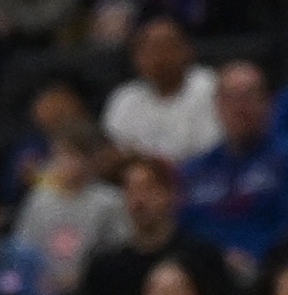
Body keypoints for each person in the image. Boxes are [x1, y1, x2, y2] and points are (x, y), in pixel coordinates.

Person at [177, 63, 288, 279]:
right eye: (231, 98)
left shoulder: (283, 160)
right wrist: (220, 257)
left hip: (272, 270)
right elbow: (185, 231)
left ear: (268, 103)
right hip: (209, 274)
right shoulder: (195, 171)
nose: (239, 107)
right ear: (217, 106)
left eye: (248, 97)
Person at [82, 158, 235, 295]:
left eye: (148, 189)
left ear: (170, 194)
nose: (139, 201)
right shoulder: (107, 267)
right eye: (130, 190)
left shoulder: (202, 257)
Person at [15, 127, 129, 292]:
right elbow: (24, 247)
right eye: (60, 155)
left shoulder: (109, 201)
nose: (67, 163)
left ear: (90, 160)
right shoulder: (38, 200)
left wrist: (86, 275)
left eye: (74, 156)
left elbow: (118, 248)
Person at [102, 20, 222, 164]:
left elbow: (213, 150)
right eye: (147, 50)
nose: (157, 58)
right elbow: (112, 153)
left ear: (186, 50)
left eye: (164, 48)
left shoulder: (209, 87)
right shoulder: (126, 97)